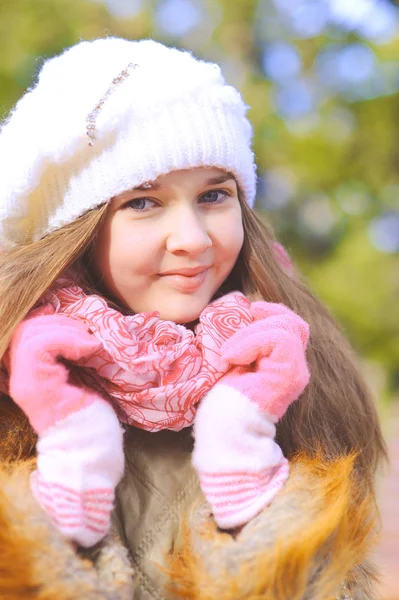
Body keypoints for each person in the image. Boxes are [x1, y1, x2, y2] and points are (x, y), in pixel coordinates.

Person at [0, 37, 386, 600]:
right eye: (141, 202)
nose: (192, 240)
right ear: (73, 234)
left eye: (213, 196)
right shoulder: (18, 383)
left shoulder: (298, 367)